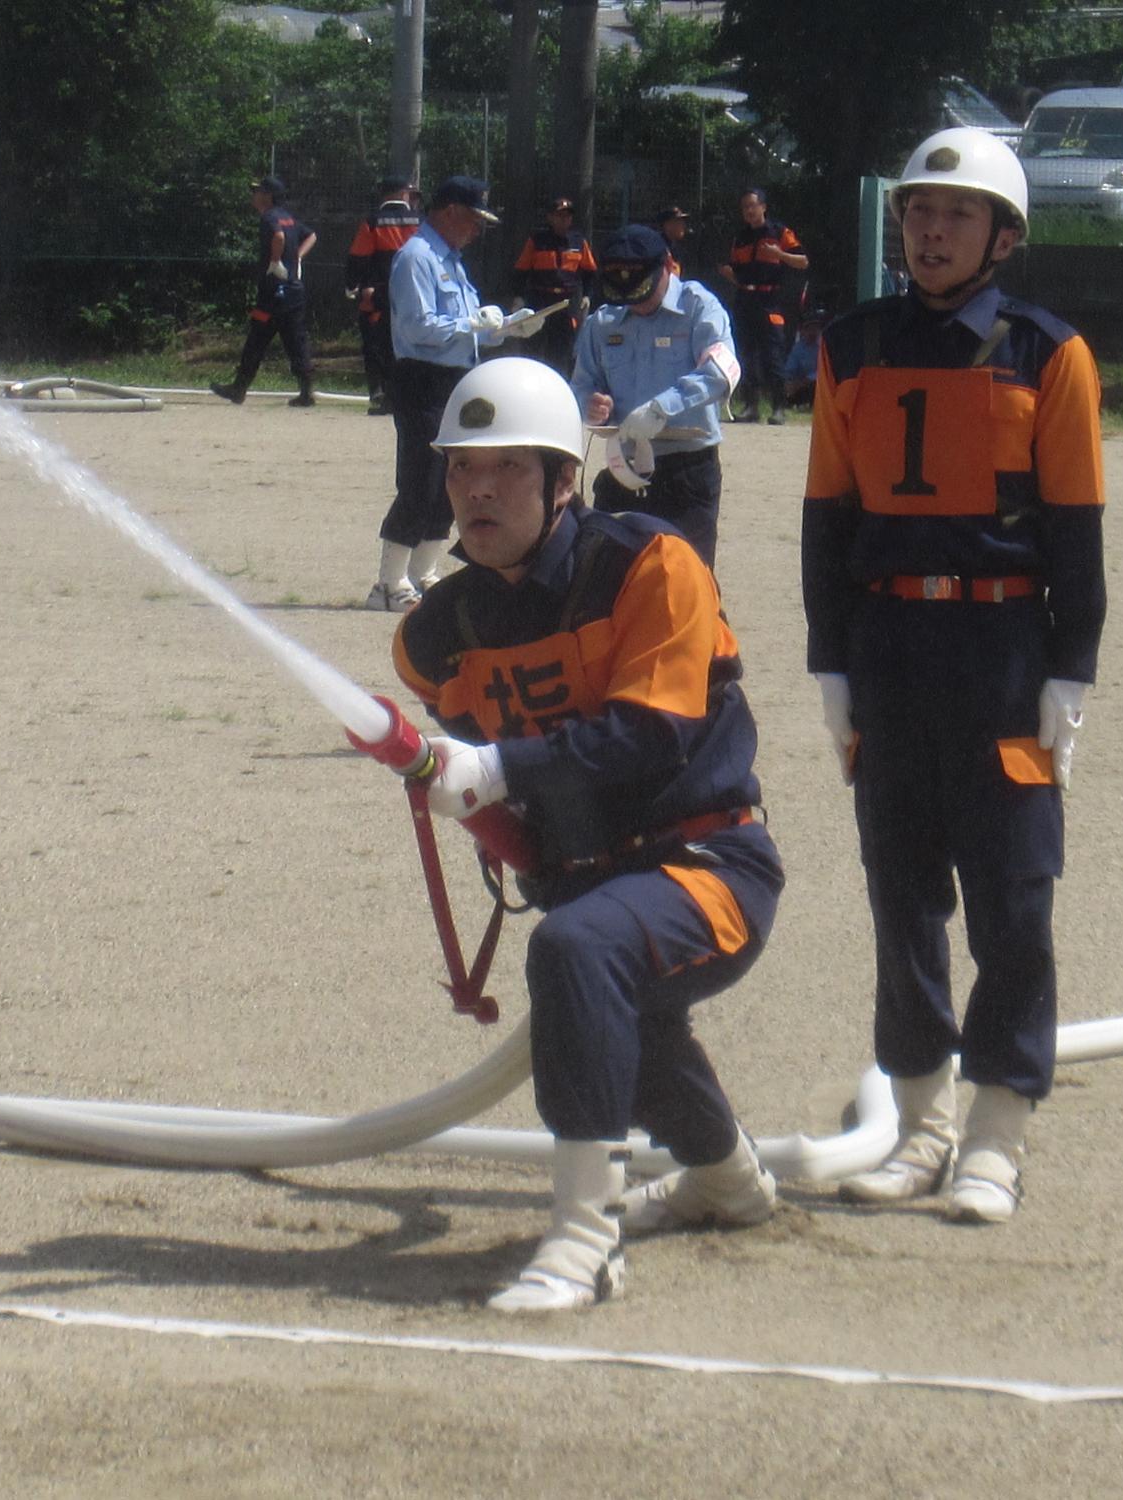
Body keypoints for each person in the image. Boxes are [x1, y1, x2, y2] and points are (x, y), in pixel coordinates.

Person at [394, 357, 783, 1312]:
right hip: (585, 882)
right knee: (615, 1008)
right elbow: (480, 769)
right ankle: (729, 1181)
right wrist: (468, 792)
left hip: (708, 867)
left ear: (566, 479)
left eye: (509, 469)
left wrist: (501, 768)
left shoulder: (651, 565)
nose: (477, 490)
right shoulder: (433, 634)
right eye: (460, 469)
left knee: (579, 954)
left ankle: (585, 1239)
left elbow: (656, 730)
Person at [801, 127, 1105, 1225]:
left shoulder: (1046, 355)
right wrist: (828, 660)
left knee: (1013, 901)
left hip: (1002, 651)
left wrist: (1068, 672)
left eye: (955, 214)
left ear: (1002, 235)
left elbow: (1075, 533)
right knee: (902, 897)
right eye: (916, 212)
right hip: (889, 649)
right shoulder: (851, 345)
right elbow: (825, 521)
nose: (929, 230)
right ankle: (923, 1122)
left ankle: (995, 1136)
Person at [368, 174, 543, 611]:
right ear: (450, 212)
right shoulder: (417, 258)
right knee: (419, 479)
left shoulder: (451, 259)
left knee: (452, 477)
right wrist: (474, 325)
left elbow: (469, 332)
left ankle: (422, 571)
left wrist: (506, 328)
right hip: (421, 378)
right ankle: (388, 582)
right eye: (473, 218)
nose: (477, 229)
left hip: (455, 378)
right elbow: (418, 328)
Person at [569, 224, 739, 567]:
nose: (638, 304)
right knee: (610, 574)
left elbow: (721, 373)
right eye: (627, 296)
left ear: (666, 267)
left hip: (686, 469)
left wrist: (662, 408)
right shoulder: (603, 322)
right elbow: (581, 384)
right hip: (625, 466)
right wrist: (591, 404)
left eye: (644, 293)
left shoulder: (699, 307)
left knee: (688, 576)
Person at [212, 176, 318, 409]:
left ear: (267, 195)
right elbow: (312, 235)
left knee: (257, 340)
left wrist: (275, 260)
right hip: (293, 292)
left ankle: (239, 388)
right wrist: (298, 256)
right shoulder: (288, 216)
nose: (254, 195)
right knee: (295, 341)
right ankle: (306, 391)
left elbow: (278, 236)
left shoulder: (270, 217)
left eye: (257, 191)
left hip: (273, 294)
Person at [719, 187, 807, 424]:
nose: (749, 210)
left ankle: (779, 408)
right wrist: (731, 276)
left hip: (771, 301)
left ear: (763, 207)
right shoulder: (740, 237)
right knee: (746, 354)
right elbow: (734, 267)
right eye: (745, 207)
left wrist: (780, 253)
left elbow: (802, 261)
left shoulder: (779, 232)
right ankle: (751, 406)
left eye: (753, 205)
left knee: (772, 355)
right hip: (745, 300)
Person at [343, 176, 420, 417]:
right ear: (403, 194)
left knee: (381, 345)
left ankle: (385, 396)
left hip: (380, 293)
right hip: (416, 291)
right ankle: (409, 397)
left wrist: (352, 284)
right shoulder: (422, 220)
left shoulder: (373, 221)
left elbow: (359, 256)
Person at [510, 194, 596, 377]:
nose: (564, 219)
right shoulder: (537, 241)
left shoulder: (579, 242)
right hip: (539, 300)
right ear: (550, 217)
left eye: (568, 215)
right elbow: (521, 270)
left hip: (566, 304)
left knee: (561, 351)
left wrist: (587, 295)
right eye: (559, 215)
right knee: (531, 347)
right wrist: (519, 297)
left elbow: (590, 271)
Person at [781, 306, 827, 410]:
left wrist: (803, 382)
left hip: (820, 385)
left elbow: (823, 372)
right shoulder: (799, 348)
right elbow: (789, 370)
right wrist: (788, 383)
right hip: (801, 385)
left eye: (815, 327)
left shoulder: (824, 346)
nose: (812, 331)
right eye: (808, 328)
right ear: (802, 330)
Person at [651, 205, 692, 279]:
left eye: (683, 221)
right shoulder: (656, 247)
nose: (683, 225)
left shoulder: (677, 248)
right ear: (667, 225)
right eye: (678, 221)